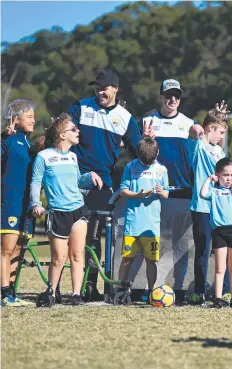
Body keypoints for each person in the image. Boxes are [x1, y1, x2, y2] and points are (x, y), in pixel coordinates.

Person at [68, 69, 144, 300]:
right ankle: (65, 286)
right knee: (67, 235)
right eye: (97, 87)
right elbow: (61, 134)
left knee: (94, 235)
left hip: (103, 184)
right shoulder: (80, 107)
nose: (100, 91)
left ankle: (91, 285)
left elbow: (138, 150)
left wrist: (147, 140)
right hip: (72, 179)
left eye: (105, 87)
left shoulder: (125, 118)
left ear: (115, 89)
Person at [30, 113, 103, 306]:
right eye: (73, 129)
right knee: (59, 258)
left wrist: (90, 176)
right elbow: (36, 182)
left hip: (79, 210)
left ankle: (76, 295)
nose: (78, 132)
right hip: (57, 213)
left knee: (77, 255)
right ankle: (51, 292)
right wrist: (35, 203)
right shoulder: (43, 157)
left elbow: (77, 181)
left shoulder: (72, 156)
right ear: (62, 135)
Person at [141, 79, 197, 300]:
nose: (172, 99)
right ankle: (149, 287)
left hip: (181, 192)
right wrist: (145, 139)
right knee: (152, 243)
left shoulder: (189, 123)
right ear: (161, 96)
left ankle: (179, 287)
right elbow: (139, 155)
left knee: (180, 245)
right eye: (168, 95)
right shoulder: (147, 121)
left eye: (176, 95)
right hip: (154, 192)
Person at [118, 138, 169, 297]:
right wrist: (138, 195)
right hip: (132, 223)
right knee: (127, 258)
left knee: (151, 260)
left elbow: (166, 194)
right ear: (138, 155)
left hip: (151, 225)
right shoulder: (130, 167)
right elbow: (123, 191)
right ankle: (121, 289)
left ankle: (153, 291)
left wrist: (162, 193)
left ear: (157, 153)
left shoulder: (162, 170)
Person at [186, 109, 228, 304]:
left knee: (223, 251)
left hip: (220, 209)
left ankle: (223, 291)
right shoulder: (199, 147)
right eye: (220, 132)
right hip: (202, 208)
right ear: (211, 128)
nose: (222, 137)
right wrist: (200, 130)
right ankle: (199, 291)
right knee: (202, 252)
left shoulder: (219, 151)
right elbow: (193, 130)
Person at [1, 99, 36, 307]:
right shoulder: (9, 141)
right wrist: (4, 138)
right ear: (16, 119)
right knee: (5, 250)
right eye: (29, 116)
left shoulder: (27, 143)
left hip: (25, 206)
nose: (33, 120)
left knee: (17, 250)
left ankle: (12, 292)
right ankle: (3, 293)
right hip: (9, 203)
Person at [200, 158, 232, 309]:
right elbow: (202, 193)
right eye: (225, 175)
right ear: (218, 174)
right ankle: (218, 298)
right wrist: (209, 179)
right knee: (220, 268)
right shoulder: (214, 191)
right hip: (219, 232)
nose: (229, 178)